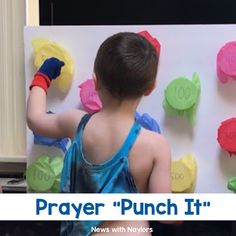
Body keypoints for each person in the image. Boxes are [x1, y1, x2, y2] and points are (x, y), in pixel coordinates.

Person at [27, 32, 171, 236]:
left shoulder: (76, 123)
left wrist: (42, 78)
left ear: (95, 82)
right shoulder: (155, 145)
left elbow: (34, 119)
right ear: (150, 88)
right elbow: (167, 214)